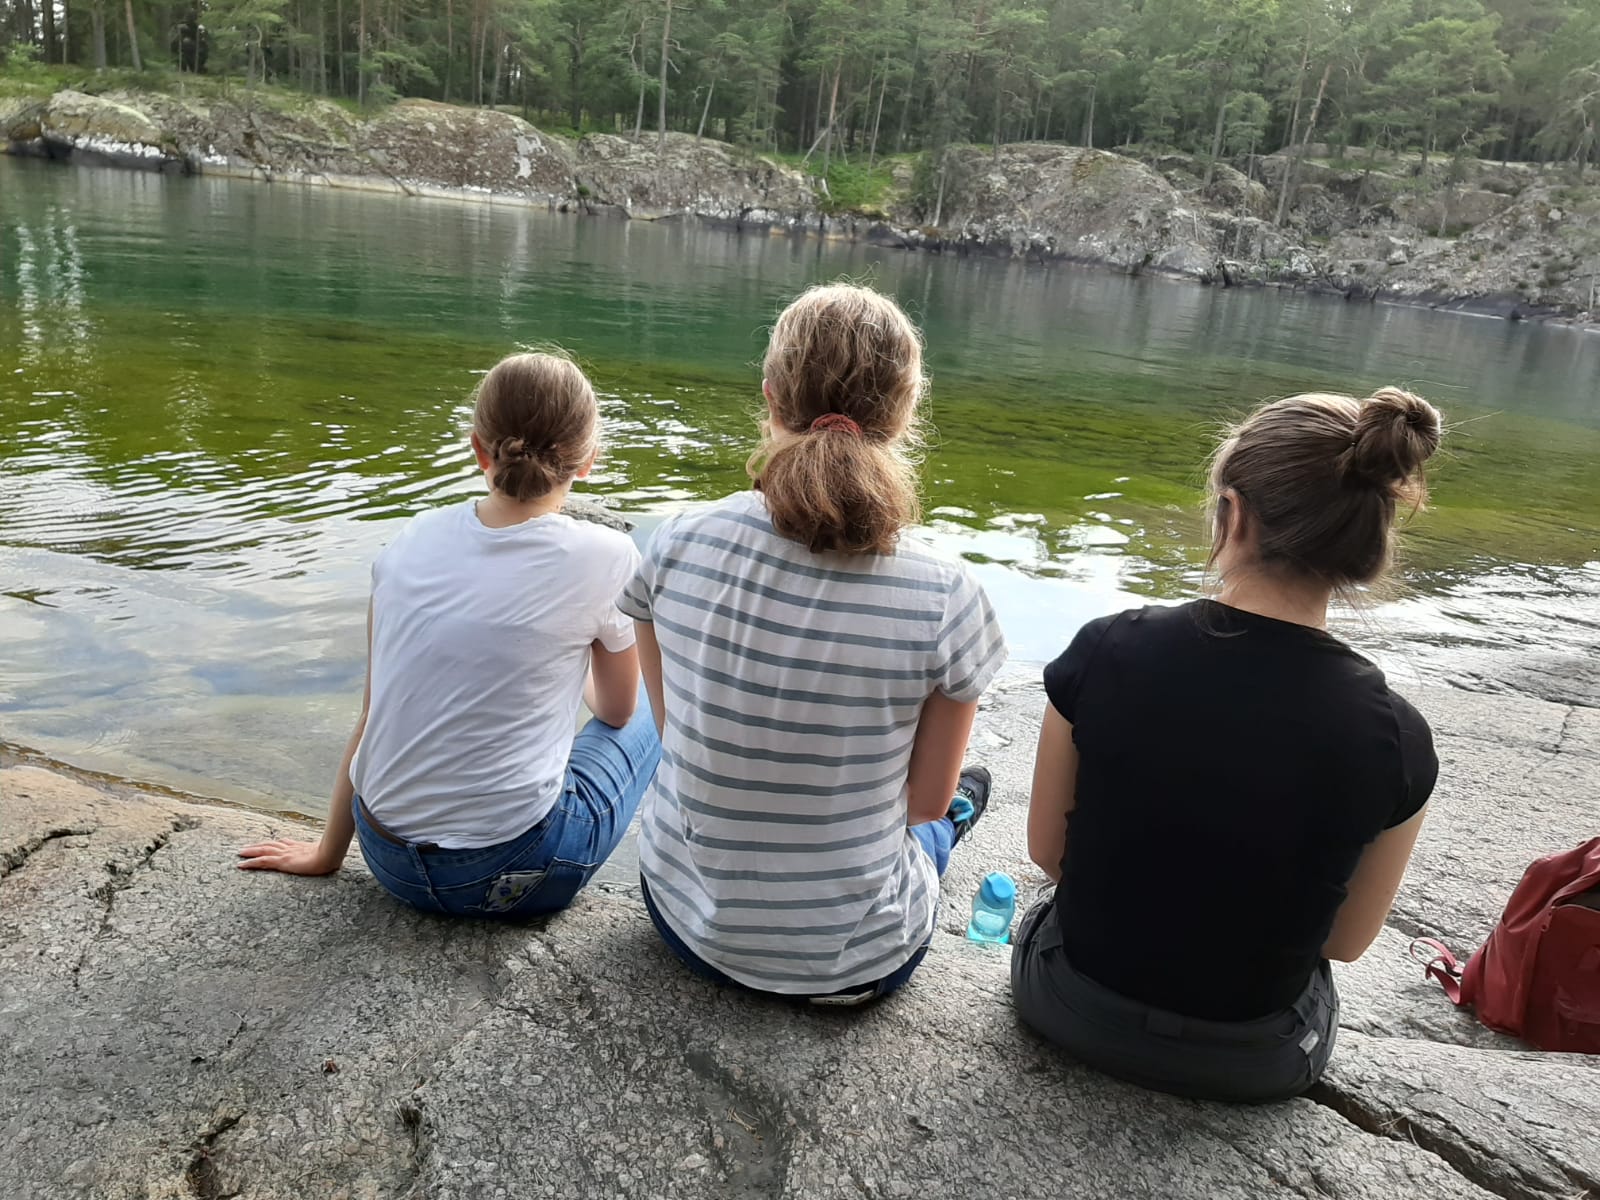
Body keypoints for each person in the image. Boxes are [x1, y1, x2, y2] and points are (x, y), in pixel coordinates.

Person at [1013, 386, 1443, 1103]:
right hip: (1253, 1059)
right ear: (1365, 544)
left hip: (1067, 1007)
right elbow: (1342, 943)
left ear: (1234, 516)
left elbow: (1048, 853)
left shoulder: (1107, 648)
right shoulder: (1396, 735)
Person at [619, 283, 1008, 1005]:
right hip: (855, 964)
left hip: (684, 922)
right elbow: (921, 800)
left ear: (770, 397)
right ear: (905, 415)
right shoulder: (948, 596)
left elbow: (677, 731)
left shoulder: (675, 541)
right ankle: (967, 818)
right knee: (941, 817)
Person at [237, 352, 658, 918]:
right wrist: (572, 661)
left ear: (477, 447)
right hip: (506, 871)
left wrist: (326, 853)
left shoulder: (410, 539)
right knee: (657, 706)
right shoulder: (609, 555)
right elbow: (615, 710)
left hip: (385, 857)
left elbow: (373, 709)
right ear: (587, 462)